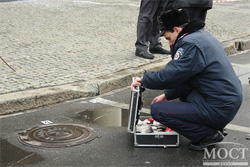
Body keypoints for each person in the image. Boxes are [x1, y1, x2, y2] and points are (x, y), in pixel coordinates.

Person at [131, 9, 242, 151]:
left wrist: (144, 80)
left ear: (176, 30)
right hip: (226, 102)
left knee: (158, 110)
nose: (170, 44)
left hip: (220, 107)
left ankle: (207, 134)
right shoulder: (200, 36)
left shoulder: (189, 45)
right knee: (184, 95)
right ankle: (213, 126)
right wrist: (167, 95)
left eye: (168, 38)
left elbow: (170, 76)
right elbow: (188, 79)